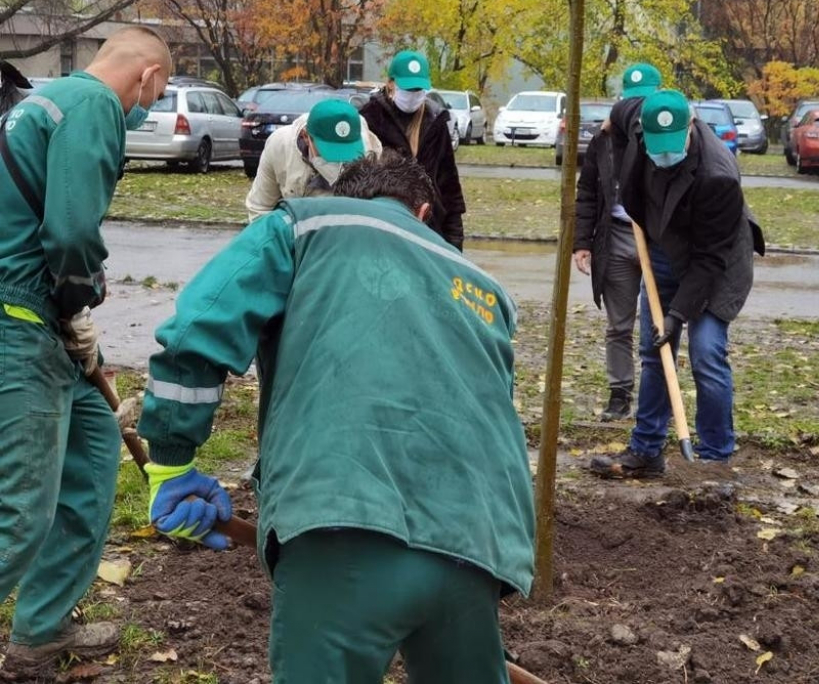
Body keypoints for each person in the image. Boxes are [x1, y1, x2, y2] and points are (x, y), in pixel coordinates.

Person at [134, 153, 534, 683]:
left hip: (340, 531)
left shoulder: (303, 225)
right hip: (477, 544)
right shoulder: (487, 292)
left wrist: (170, 461)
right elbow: (487, 414)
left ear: (345, 195)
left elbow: (196, 334)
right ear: (422, 213)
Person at [0, 26, 172, 677]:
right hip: (22, 318)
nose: (148, 107)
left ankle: (39, 631)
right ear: (148, 76)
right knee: (22, 510)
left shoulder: (46, 99)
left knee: (97, 449)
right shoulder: (95, 104)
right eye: (156, 93)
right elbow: (71, 229)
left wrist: (74, 313)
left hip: (45, 318)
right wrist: (77, 302)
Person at [590, 89, 764, 477]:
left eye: (673, 146)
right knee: (654, 353)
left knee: (705, 354)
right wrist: (608, 126)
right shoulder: (636, 120)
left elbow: (708, 260)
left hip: (715, 264)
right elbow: (621, 111)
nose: (664, 154)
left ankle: (716, 459)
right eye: (657, 146)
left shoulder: (718, 174)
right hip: (663, 252)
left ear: (691, 127)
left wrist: (676, 315)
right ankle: (646, 451)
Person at [572, 63, 662, 420]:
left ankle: (658, 400)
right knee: (619, 326)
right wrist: (583, 242)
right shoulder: (603, 140)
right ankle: (620, 394)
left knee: (659, 323)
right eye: (631, 100)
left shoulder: (662, 134)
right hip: (616, 236)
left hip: (656, 240)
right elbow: (588, 192)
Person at [360, 50, 466, 250]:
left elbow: (449, 186)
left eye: (418, 89)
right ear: (390, 83)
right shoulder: (369, 119)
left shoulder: (435, 121)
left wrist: (454, 242)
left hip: (430, 230)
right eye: (408, 88)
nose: (413, 94)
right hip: (385, 230)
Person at [244, 98, 382, 220]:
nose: (338, 160)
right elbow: (260, 209)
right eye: (330, 152)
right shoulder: (280, 147)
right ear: (306, 137)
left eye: (346, 152)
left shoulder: (370, 152)